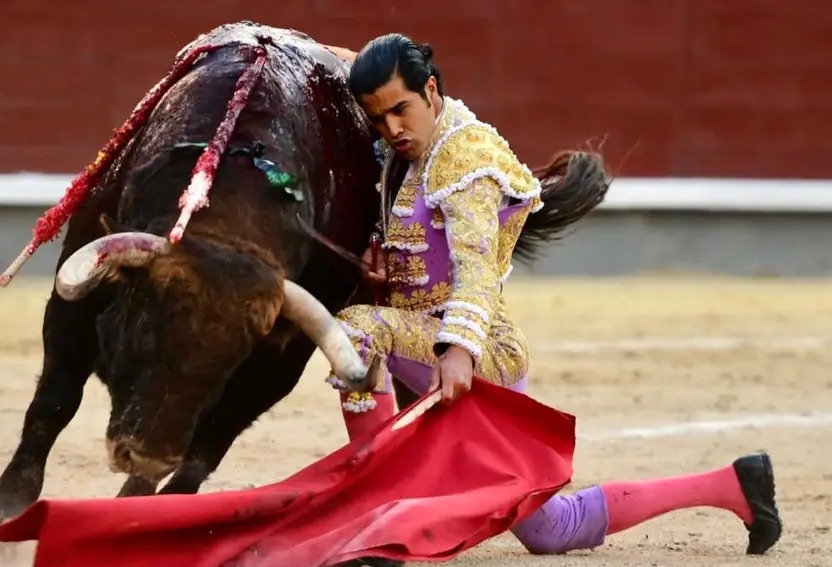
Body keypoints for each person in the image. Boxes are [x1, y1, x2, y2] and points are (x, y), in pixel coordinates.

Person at [318, 33, 782, 563]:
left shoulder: (465, 158)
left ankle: (375, 508)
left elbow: (474, 268)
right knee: (553, 531)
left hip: (477, 355)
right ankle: (733, 485)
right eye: (378, 119)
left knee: (355, 330)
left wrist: (461, 350)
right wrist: (385, 279)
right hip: (426, 344)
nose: (391, 129)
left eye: (400, 110)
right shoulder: (411, 153)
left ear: (430, 89)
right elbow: (424, 259)